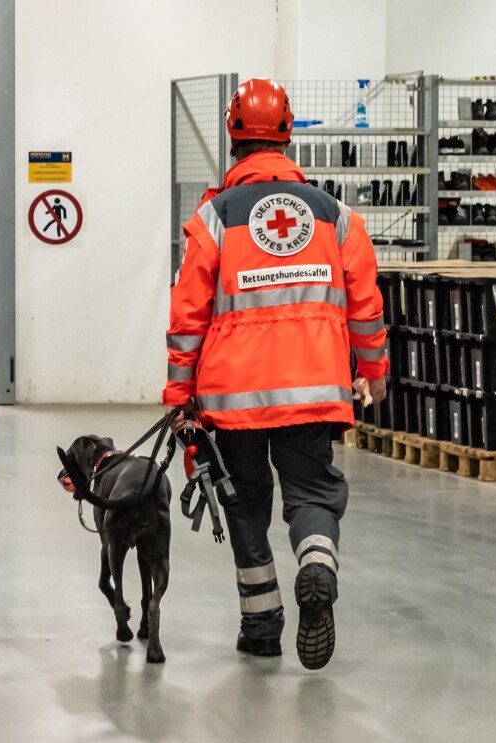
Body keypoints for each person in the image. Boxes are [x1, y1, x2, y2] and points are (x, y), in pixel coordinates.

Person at [162, 78, 388, 670]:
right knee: (312, 494)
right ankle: (316, 565)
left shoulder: (214, 219)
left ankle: (261, 624)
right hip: (314, 389)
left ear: (233, 136)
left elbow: (187, 316)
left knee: (244, 502)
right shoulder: (336, 217)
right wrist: (375, 371)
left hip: (232, 396)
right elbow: (366, 306)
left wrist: (179, 395)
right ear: (288, 136)